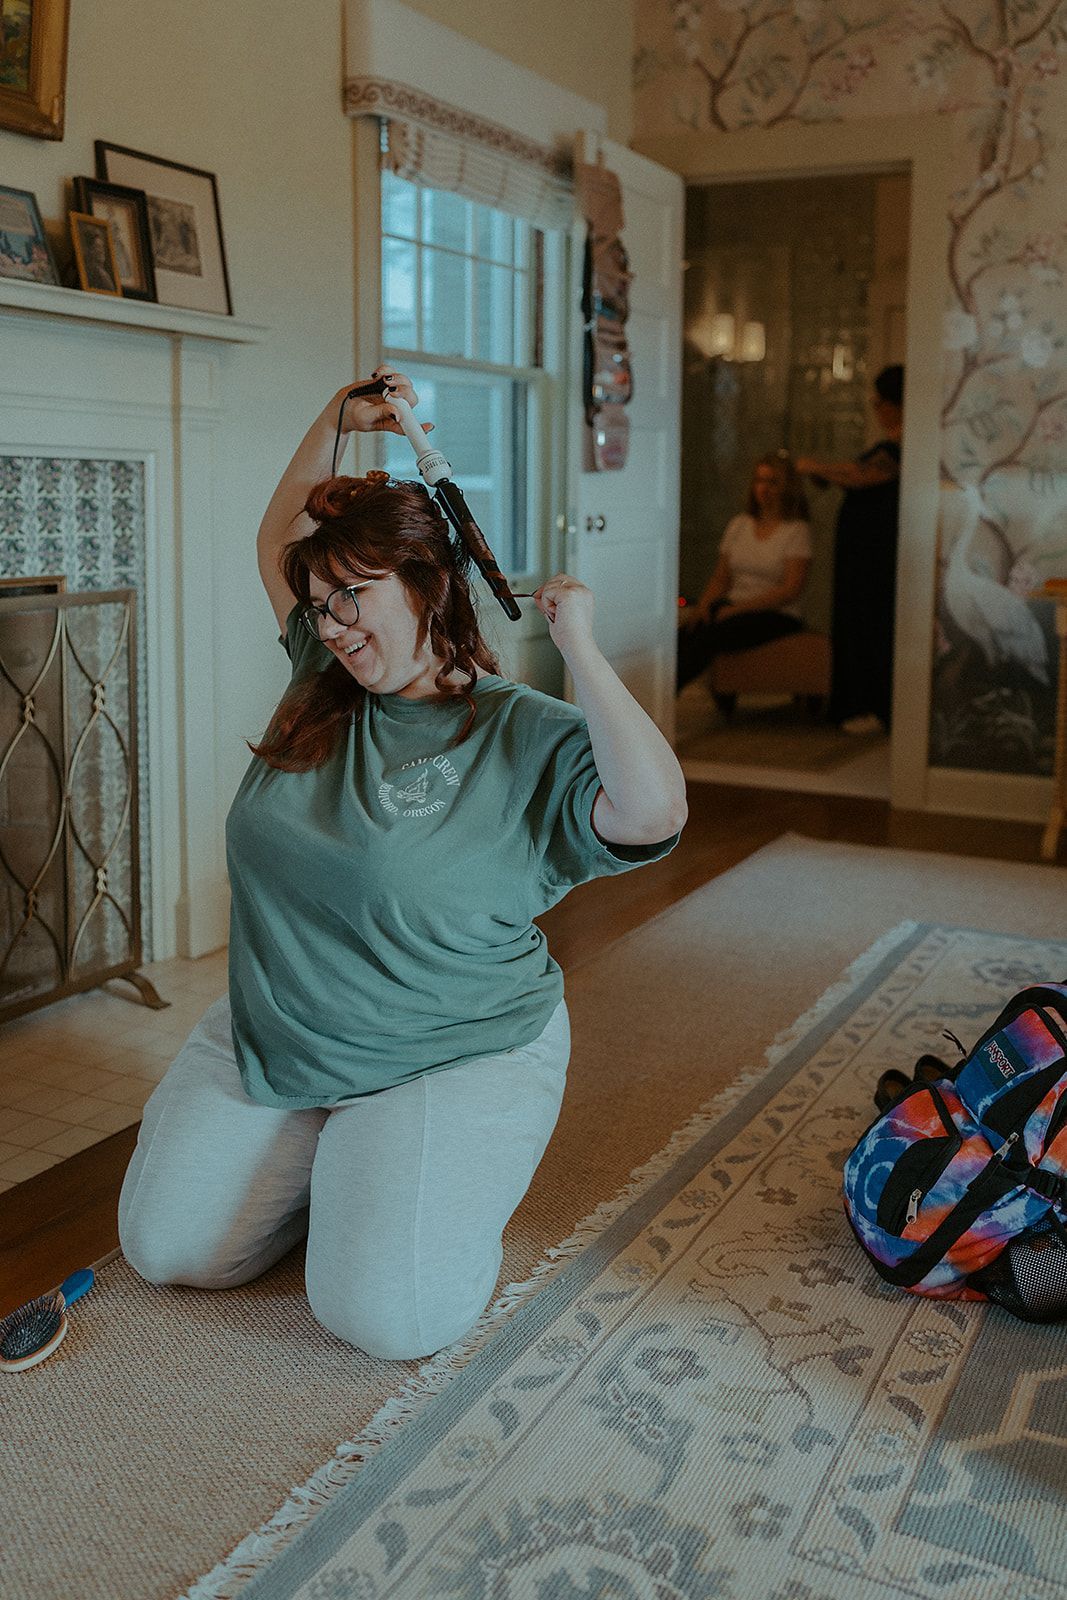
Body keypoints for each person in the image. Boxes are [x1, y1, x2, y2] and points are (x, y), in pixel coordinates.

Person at [117, 368, 687, 1362]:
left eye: (353, 598)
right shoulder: (321, 677)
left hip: (450, 1045)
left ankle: (396, 1174)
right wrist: (335, 417)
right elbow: (275, 539)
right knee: (168, 1248)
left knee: (386, 1318)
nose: (332, 624)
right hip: (285, 1025)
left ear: (429, 584)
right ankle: (333, 1167)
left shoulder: (520, 734)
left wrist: (582, 648)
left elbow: (650, 810)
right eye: (319, 603)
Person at [795, 364, 904, 734]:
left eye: (879, 400)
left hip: (875, 561)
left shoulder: (900, 448)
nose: (875, 406)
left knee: (871, 625)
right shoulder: (890, 445)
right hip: (862, 559)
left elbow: (862, 476)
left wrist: (814, 466)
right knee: (857, 622)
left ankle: (871, 706)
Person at [676, 452, 812, 692]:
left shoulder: (796, 530)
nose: (764, 488)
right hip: (733, 606)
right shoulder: (740, 524)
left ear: (786, 487)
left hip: (776, 614)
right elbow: (721, 577)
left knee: (711, 637)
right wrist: (703, 608)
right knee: (685, 634)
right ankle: (652, 699)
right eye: (760, 481)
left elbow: (790, 590)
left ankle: (666, 696)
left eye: (773, 482)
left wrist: (736, 610)